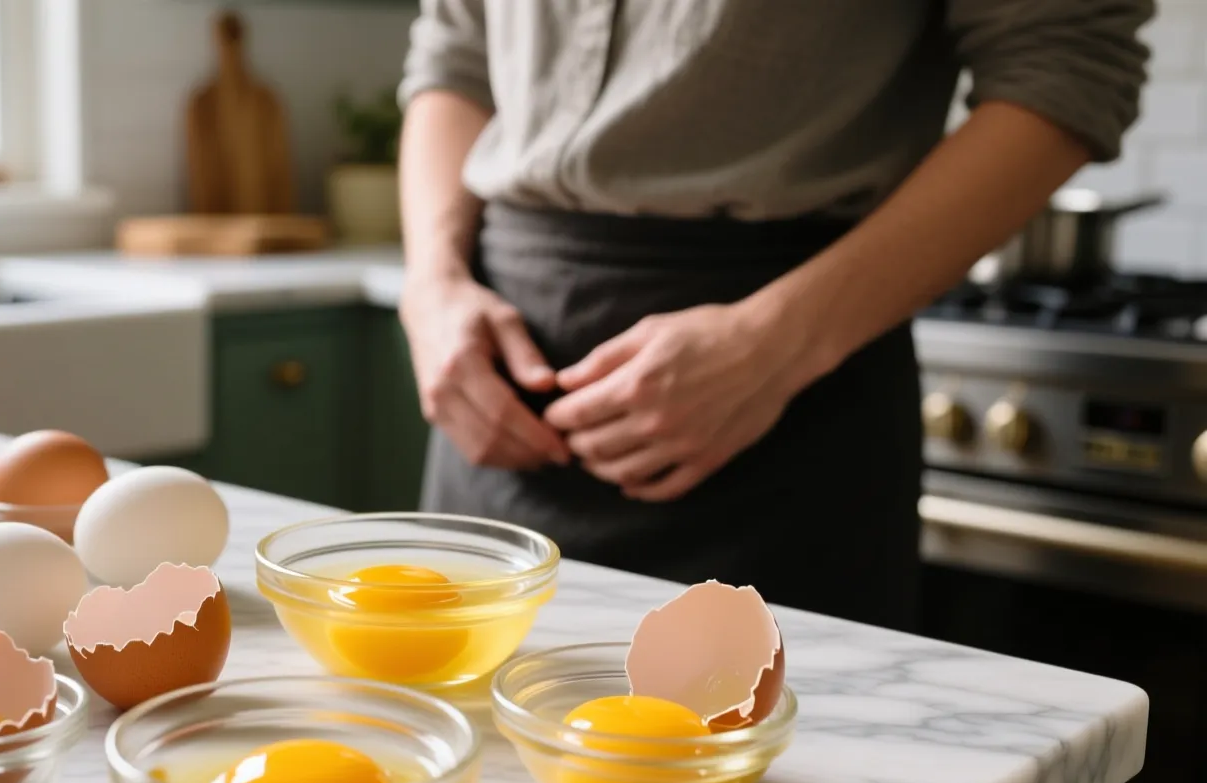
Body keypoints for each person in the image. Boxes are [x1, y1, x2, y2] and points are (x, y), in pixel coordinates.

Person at [396, 2, 1151, 631]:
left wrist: (775, 345)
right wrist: (431, 282)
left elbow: (1068, 66)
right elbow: (455, 60)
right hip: (492, 398)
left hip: (783, 410)